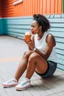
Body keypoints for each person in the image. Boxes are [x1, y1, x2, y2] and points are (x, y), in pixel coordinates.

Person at [2, 14, 57, 91]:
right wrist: (29, 44)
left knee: (33, 56)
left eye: (33, 26)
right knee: (26, 53)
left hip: (50, 67)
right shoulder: (34, 36)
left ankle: (26, 81)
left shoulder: (49, 37)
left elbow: (46, 56)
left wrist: (33, 48)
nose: (31, 28)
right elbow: (31, 51)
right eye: (31, 26)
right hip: (40, 65)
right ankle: (15, 79)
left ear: (40, 27)